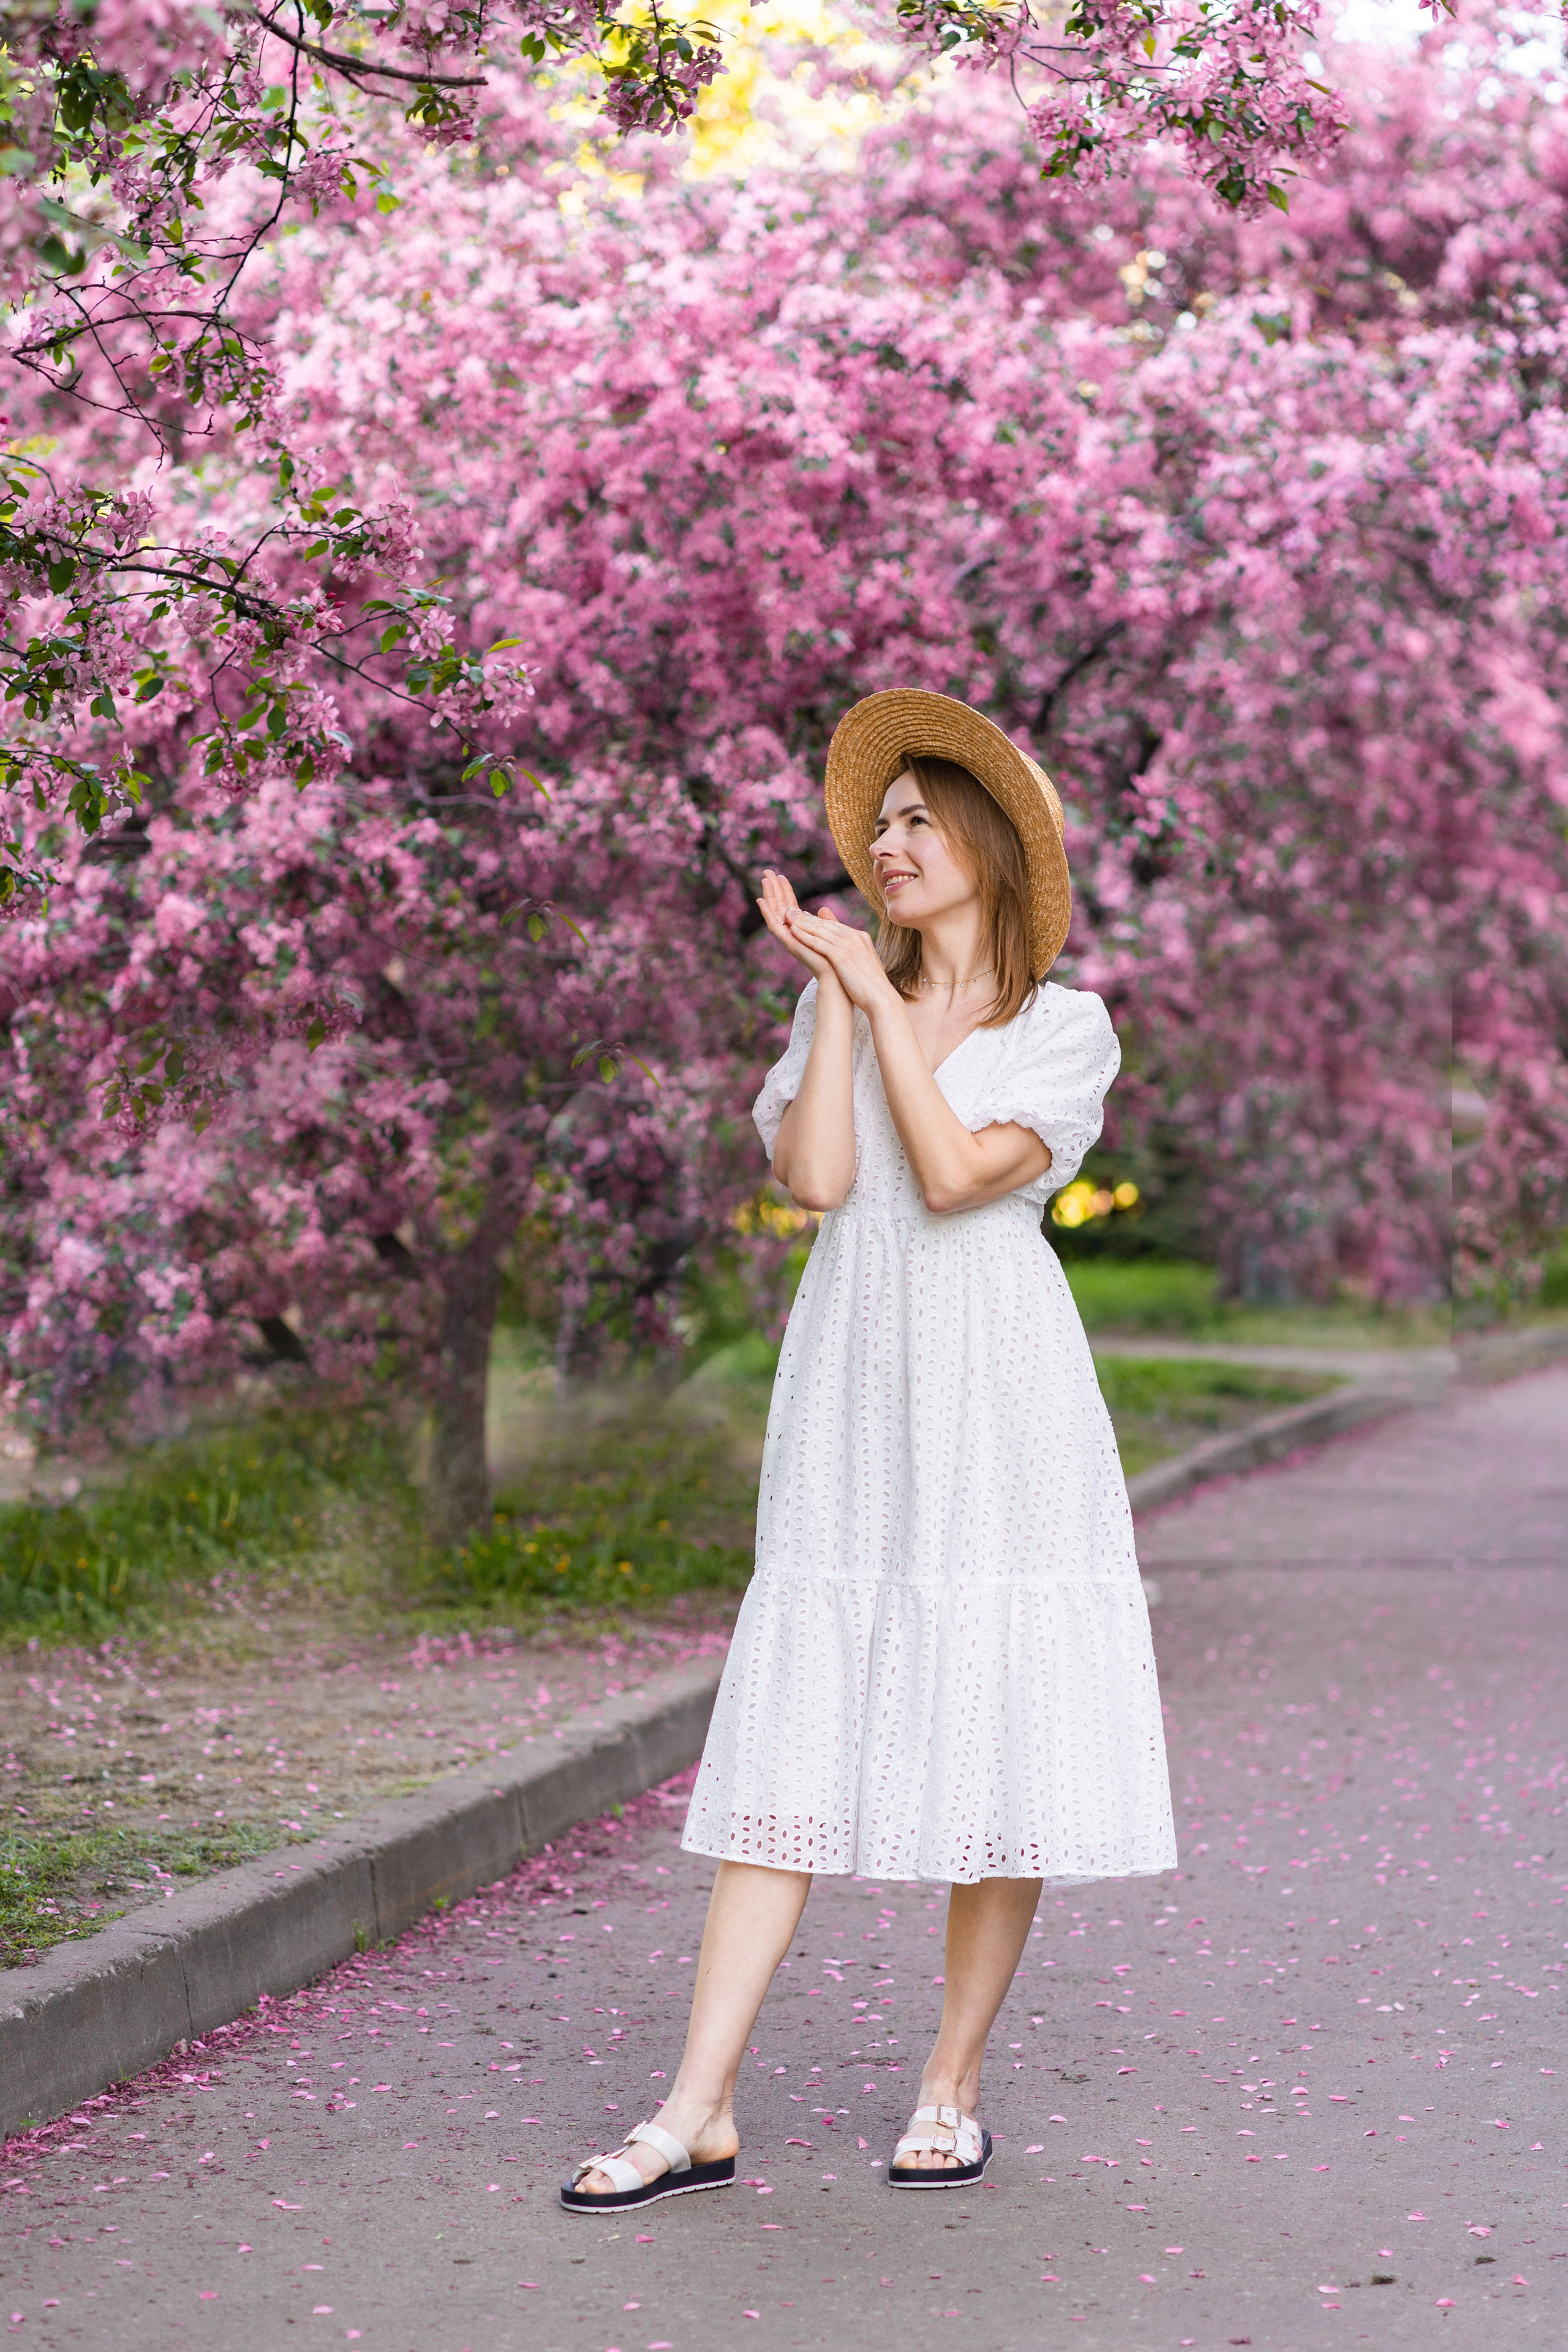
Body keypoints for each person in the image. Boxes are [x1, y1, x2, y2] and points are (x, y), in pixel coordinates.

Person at [562, 688, 1176, 2212]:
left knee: (998, 1717)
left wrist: (886, 1006)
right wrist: (841, 1004)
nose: (886, 847)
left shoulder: (1065, 1026)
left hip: (1000, 1385)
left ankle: (949, 2086)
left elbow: (967, 1176)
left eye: (916, 820)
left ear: (986, 843)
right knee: (793, 1716)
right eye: (878, 823)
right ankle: (694, 2106)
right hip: (852, 1369)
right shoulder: (838, 991)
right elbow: (822, 1179)